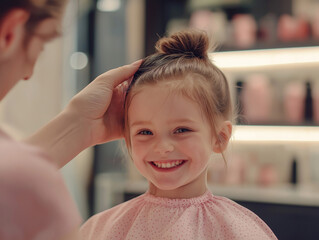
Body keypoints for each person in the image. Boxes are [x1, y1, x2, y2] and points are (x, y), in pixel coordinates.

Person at [80, 30, 278, 240]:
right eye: (145, 132)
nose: (162, 146)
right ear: (127, 137)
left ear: (220, 137)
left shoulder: (239, 230)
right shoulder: (102, 228)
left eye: (181, 130)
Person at [0, 0, 141, 239]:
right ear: (9, 33)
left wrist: (79, 124)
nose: (28, 73)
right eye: (42, 44)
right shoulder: (23, 180)